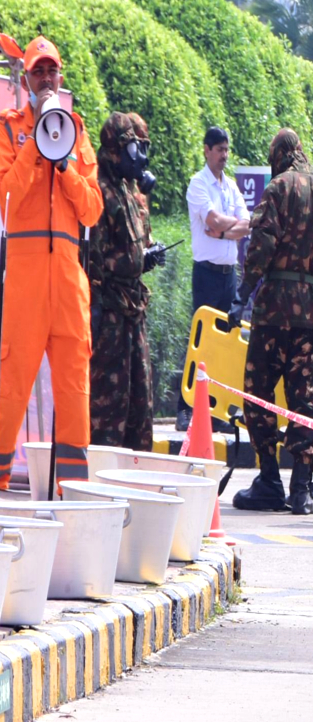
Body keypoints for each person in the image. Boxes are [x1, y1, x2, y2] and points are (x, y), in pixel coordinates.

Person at [0, 36, 103, 489]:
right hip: (24, 276)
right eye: (37, 72)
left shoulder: (77, 134)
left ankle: (74, 496)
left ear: (61, 79)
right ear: (25, 80)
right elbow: (7, 197)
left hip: (67, 277)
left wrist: (63, 165)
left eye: (51, 71)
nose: (45, 79)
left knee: (75, 390)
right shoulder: (7, 129)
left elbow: (93, 210)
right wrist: (35, 146)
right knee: (10, 387)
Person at [229, 130, 313, 515]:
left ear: (278, 157)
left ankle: (268, 479)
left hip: (274, 309)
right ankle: (301, 490)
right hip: (311, 314)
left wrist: (244, 291)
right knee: (303, 397)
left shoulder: (278, 188)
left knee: (258, 393)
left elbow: (261, 243)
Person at [89, 112, 167, 451]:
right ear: (116, 150)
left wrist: (148, 255)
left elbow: (135, 245)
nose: (138, 156)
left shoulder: (128, 192)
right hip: (110, 317)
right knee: (109, 408)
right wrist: (138, 260)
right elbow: (94, 261)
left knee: (139, 406)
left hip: (133, 312)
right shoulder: (99, 192)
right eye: (133, 148)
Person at [178, 126, 249, 431]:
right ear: (206, 150)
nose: (224, 155)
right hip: (206, 273)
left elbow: (245, 225)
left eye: (226, 149)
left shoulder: (230, 187)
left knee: (225, 341)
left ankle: (215, 410)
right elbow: (212, 220)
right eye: (219, 149)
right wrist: (225, 229)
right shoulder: (198, 184)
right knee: (201, 340)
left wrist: (222, 231)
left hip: (228, 275)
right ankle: (185, 407)